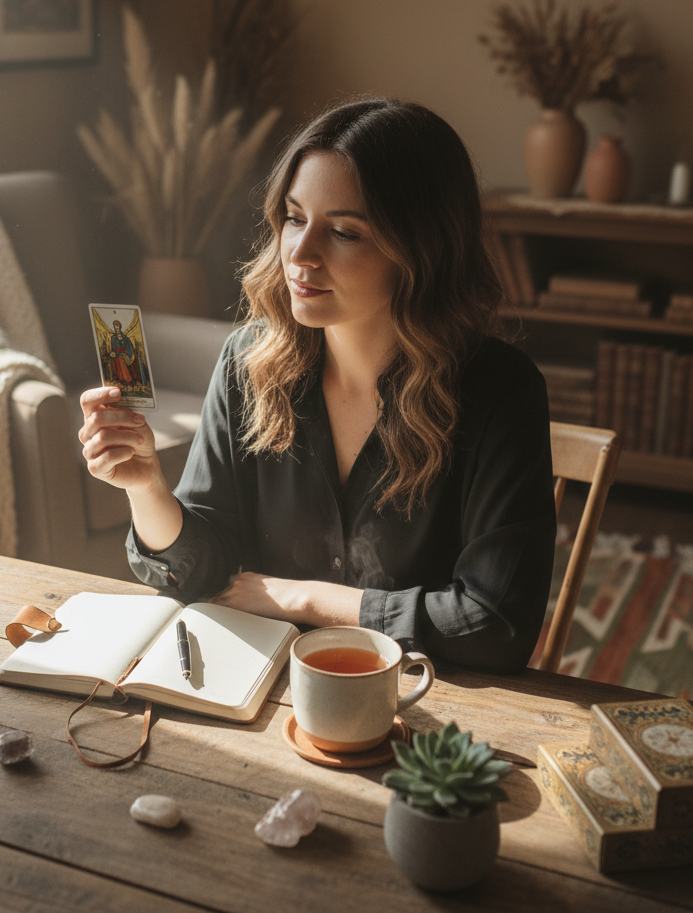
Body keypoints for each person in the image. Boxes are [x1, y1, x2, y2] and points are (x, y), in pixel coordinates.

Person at [79, 99, 556, 673]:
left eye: (345, 232)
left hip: (418, 701)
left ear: (421, 251)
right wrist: (146, 486)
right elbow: (203, 573)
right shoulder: (247, 364)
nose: (300, 255)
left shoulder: (500, 390)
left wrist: (304, 600)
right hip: (259, 685)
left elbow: (495, 624)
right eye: (296, 218)